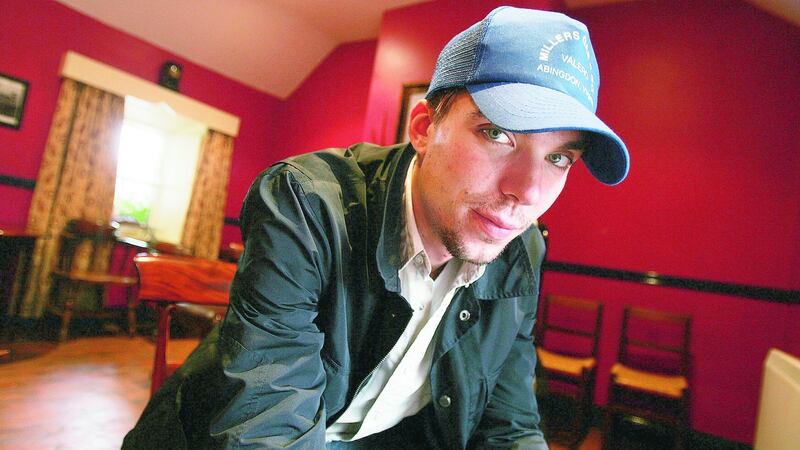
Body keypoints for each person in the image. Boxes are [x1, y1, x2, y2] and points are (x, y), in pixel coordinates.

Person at [123, 6, 629, 449]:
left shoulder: (522, 250)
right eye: (497, 134)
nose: (529, 192)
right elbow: (263, 424)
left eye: (559, 158)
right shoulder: (306, 203)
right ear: (425, 129)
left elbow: (509, 421)